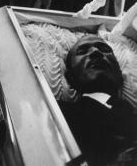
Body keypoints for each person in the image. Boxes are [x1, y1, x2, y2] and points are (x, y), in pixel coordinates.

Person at [59, 35, 137, 166]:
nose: (96, 52)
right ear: (70, 77)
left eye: (104, 48)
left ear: (119, 72)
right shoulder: (57, 114)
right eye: (82, 51)